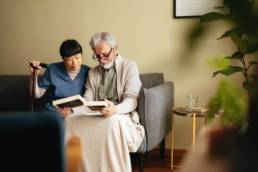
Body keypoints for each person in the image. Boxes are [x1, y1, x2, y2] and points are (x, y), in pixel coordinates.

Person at [62, 32, 145, 172]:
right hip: (96, 115)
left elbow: (132, 101)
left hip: (121, 115)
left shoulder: (130, 66)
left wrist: (115, 110)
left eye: (105, 55)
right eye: (97, 56)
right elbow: (87, 101)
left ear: (115, 48)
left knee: (111, 121)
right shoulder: (93, 73)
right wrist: (72, 111)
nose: (101, 60)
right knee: (69, 121)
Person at [30, 39, 90, 111]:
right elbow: (37, 95)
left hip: (76, 112)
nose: (74, 63)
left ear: (82, 56)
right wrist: (33, 75)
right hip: (53, 111)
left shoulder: (88, 71)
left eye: (77, 58)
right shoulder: (52, 69)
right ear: (63, 59)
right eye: (69, 59)